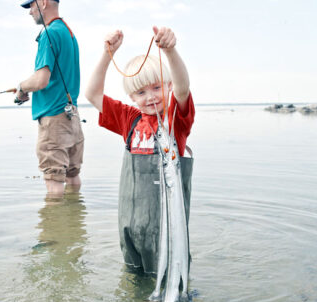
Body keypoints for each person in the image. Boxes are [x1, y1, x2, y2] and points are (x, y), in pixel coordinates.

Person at [85, 26, 195, 274]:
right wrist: (107, 54)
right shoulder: (129, 119)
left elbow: (183, 88)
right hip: (131, 229)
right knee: (134, 283)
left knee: (169, 282)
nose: (151, 97)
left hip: (167, 235)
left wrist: (170, 51)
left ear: (168, 86)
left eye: (157, 88)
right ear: (132, 97)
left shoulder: (175, 118)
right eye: (141, 92)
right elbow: (92, 94)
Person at [15, 0, 83, 198]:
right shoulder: (69, 33)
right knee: (73, 177)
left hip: (54, 120)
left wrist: (21, 88)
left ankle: (56, 229)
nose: (30, 12)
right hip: (73, 118)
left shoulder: (49, 32)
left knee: (54, 184)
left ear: (43, 3)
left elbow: (41, 80)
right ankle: (74, 226)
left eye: (32, 6)